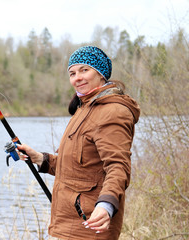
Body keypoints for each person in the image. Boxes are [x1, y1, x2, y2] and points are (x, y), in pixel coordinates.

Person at [18, 46, 140, 240]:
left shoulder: (112, 112)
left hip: (90, 224)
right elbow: (79, 168)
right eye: (72, 73)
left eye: (84, 70)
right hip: (69, 223)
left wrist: (106, 206)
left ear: (101, 74)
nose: (77, 78)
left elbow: (118, 167)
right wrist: (41, 159)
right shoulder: (84, 109)